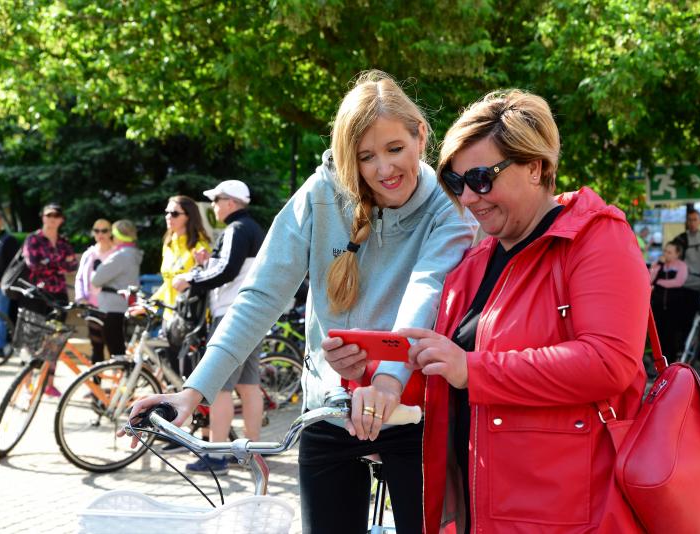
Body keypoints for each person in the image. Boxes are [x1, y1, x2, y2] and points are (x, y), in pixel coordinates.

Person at [125, 70, 478, 533]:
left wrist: (387, 384)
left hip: (411, 408)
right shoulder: (321, 194)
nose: (384, 169)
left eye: (395, 148)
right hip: (329, 406)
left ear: (421, 136)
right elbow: (262, 294)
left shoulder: (449, 208)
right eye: (365, 156)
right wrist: (193, 393)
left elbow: (426, 291)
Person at [398, 90, 650, 532]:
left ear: (536, 167)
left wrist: (473, 370)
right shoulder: (475, 263)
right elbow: (448, 377)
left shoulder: (595, 238)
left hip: (567, 516)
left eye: (481, 178)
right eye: (456, 183)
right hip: (483, 511)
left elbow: (609, 361)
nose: (468, 198)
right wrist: (371, 372)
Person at [168, 180, 266, 474]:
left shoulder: (237, 229)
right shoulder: (251, 228)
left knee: (220, 387)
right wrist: (207, 263)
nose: (212, 206)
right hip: (252, 314)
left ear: (231, 202)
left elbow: (229, 271)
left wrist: (191, 279)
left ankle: (217, 456)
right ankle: (252, 452)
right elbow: (233, 268)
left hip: (232, 315)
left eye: (216, 200)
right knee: (249, 385)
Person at [22, 203, 78, 397]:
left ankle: (49, 384)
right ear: (43, 217)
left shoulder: (63, 241)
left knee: (54, 341)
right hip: (37, 295)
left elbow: (72, 266)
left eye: (56, 215)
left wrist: (48, 262)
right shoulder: (33, 239)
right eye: (49, 215)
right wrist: (59, 263)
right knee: (32, 340)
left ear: (61, 219)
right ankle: (27, 384)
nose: (52, 218)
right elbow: (33, 264)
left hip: (59, 295)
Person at [147, 196, 211, 325]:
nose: (168, 217)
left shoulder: (200, 247)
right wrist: (150, 305)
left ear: (189, 216)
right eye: (167, 212)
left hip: (192, 318)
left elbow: (207, 283)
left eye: (174, 213)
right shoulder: (168, 244)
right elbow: (168, 283)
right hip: (170, 317)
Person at [90, 220, 143, 358]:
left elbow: (96, 280)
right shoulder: (133, 254)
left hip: (112, 308)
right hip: (122, 306)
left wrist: (96, 269)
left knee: (116, 353)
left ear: (119, 237)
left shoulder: (120, 256)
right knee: (119, 349)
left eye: (112, 235)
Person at [74, 219, 116, 366]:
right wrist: (81, 298)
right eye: (97, 231)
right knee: (96, 346)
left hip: (112, 307)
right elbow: (79, 278)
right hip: (93, 306)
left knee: (114, 346)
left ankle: (119, 379)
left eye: (104, 230)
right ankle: (96, 380)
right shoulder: (89, 254)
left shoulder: (117, 253)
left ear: (110, 232)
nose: (100, 234)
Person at [673, 209, 700, 346]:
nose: (692, 223)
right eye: (689, 220)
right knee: (687, 320)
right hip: (688, 286)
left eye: (695, 219)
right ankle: (685, 349)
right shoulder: (680, 239)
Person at [649, 241, 688, 357]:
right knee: (658, 333)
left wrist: (660, 282)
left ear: (677, 254)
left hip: (674, 305)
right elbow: (649, 279)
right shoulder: (658, 264)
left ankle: (671, 357)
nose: (666, 254)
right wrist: (659, 265)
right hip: (658, 304)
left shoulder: (681, 266)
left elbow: (678, 282)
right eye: (665, 251)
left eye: (670, 252)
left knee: (672, 332)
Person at [0, 211, 19, 357]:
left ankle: (0, 345)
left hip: (2, 286)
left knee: (2, 316)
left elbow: (13, 265)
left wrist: (3, 281)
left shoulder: (8, 240)